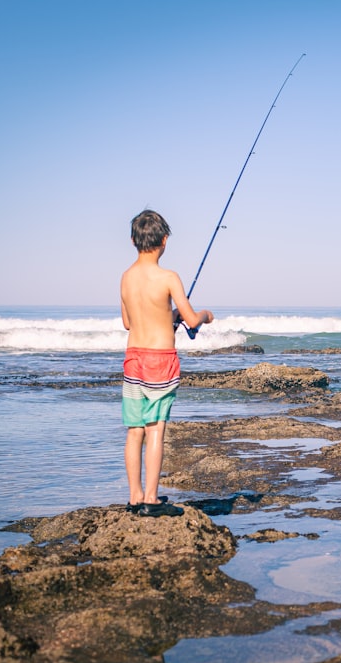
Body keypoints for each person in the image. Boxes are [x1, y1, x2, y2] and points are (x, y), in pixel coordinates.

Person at [120, 209, 213, 517]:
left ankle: (134, 496)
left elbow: (128, 323)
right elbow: (189, 318)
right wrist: (204, 316)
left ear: (133, 240)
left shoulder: (126, 278)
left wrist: (167, 316)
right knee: (156, 427)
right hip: (161, 360)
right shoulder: (169, 277)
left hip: (133, 358)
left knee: (134, 430)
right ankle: (151, 497)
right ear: (165, 240)